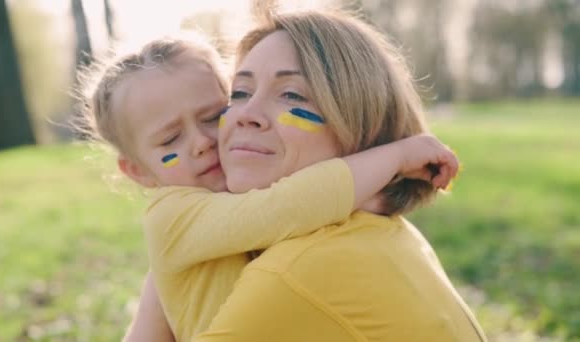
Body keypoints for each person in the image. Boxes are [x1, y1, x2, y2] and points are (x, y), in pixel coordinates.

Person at [77, 36, 459, 342]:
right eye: (170, 140)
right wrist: (394, 157)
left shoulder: (225, 208)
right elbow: (289, 205)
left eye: (213, 117)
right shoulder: (173, 215)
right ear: (138, 172)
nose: (201, 143)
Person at [186, 10, 488, 341]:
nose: (247, 114)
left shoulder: (295, 270)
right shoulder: (381, 233)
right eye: (240, 93)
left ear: (362, 129)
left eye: (292, 95)